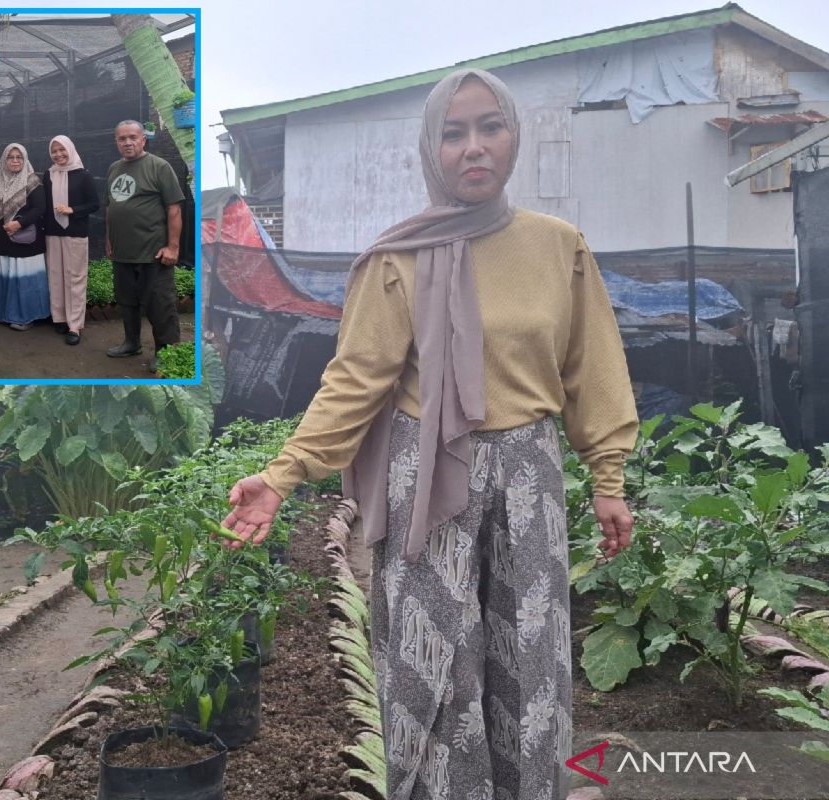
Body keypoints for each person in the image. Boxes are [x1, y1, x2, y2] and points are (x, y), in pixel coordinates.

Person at [220, 69, 638, 800]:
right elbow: (355, 379)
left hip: (531, 476)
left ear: (513, 137)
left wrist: (609, 480)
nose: (473, 148)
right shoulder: (399, 257)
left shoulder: (558, 246)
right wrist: (282, 475)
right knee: (433, 665)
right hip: (429, 477)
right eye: (454, 133)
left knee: (530, 664)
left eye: (489, 127)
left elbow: (591, 367)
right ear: (430, 148)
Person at [103, 120, 185, 370]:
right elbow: (111, 208)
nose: (127, 142)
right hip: (123, 254)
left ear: (143, 140)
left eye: (132, 137)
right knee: (126, 302)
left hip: (153, 253)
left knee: (160, 305)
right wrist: (109, 241)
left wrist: (173, 247)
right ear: (116, 142)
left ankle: (167, 352)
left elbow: (174, 209)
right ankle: (132, 343)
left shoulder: (159, 167)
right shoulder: (114, 169)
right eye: (122, 138)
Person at [0, 143, 49, 331]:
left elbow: (40, 209)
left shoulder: (32, 182)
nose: (15, 161)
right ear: (4, 160)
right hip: (5, 240)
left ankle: (27, 316)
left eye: (19, 157)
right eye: (10, 157)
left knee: (25, 279)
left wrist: (19, 223)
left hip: (26, 241)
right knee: (7, 275)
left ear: (25, 159)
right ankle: (7, 314)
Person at [42, 134, 99, 346]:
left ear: (70, 149)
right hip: (52, 232)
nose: (58, 155)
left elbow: (94, 204)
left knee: (75, 278)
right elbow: (45, 205)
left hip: (75, 233)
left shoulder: (83, 175)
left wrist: (72, 210)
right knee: (55, 276)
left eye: (62, 150)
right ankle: (59, 318)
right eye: (54, 151)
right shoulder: (48, 175)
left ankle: (74, 325)